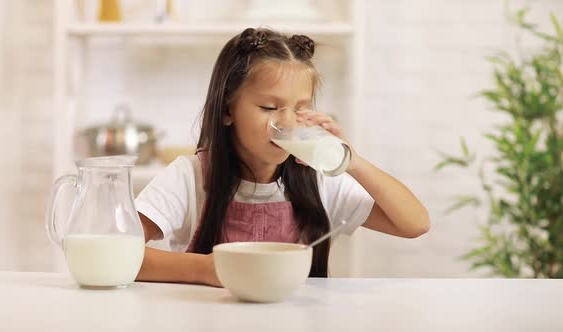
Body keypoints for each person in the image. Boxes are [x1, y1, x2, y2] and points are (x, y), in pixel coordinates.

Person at [135, 28, 430, 287]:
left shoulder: (318, 180)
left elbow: (414, 224)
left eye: (300, 108)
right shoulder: (191, 176)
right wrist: (207, 270)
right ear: (228, 110)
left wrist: (352, 161)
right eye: (268, 107)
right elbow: (121, 250)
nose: (287, 122)